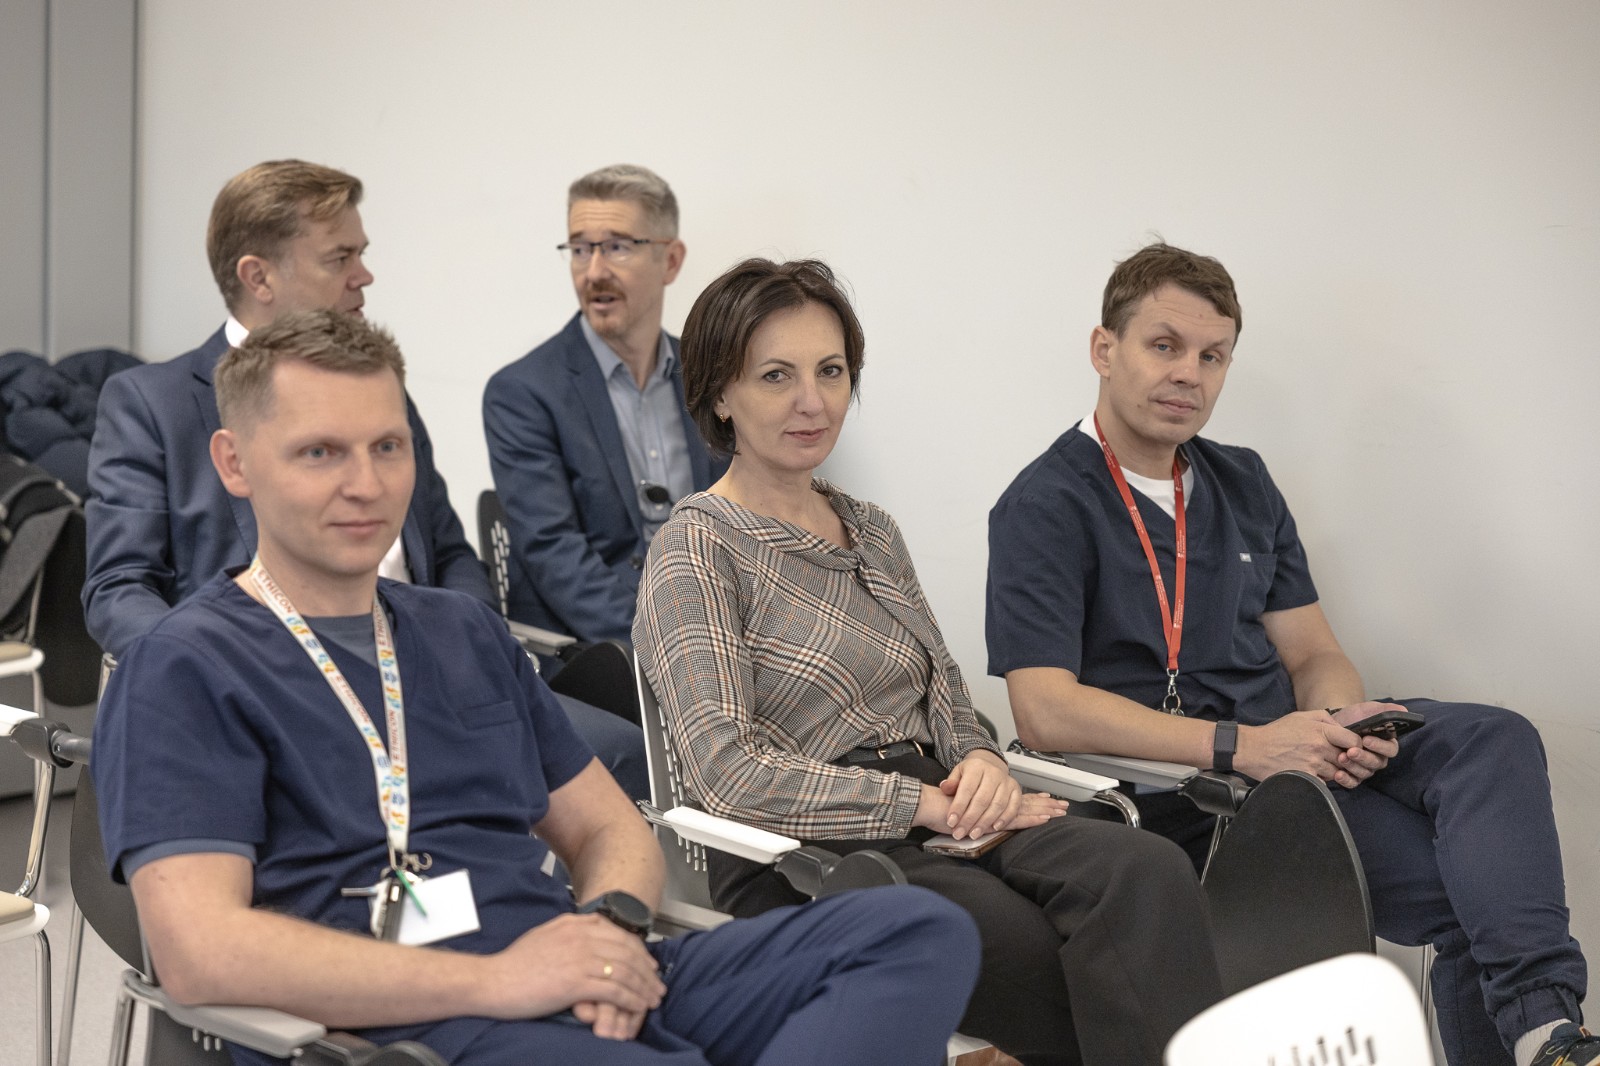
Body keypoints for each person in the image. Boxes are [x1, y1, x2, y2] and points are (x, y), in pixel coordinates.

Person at [92, 309, 982, 1066]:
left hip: (570, 969)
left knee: (912, 931)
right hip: (405, 1027)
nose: (365, 484)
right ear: (235, 462)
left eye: (388, 447)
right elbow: (200, 953)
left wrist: (609, 933)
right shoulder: (187, 666)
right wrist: (499, 981)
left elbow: (609, 830)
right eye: (320, 452)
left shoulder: (460, 630)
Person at [985, 242, 1594, 1066]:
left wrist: (1334, 722)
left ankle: (1546, 1036)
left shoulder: (1242, 481)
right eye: (1164, 345)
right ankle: (1543, 1036)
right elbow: (1044, 712)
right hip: (1192, 797)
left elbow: (1312, 652)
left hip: (1293, 764)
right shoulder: (1045, 503)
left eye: (1212, 356)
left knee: (1495, 738)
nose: (1189, 374)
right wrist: (1247, 746)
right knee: (1465, 897)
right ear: (1104, 348)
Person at [634, 258, 1223, 1066]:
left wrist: (980, 760)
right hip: (800, 848)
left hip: (945, 803)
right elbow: (728, 775)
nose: (813, 400)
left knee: (1148, 870)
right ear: (720, 394)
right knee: (1031, 944)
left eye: (831, 371)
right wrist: (920, 804)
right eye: (776, 376)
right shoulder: (695, 549)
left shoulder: (870, 528)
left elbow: (946, 694)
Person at [82, 159, 646, 798]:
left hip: (431, 676)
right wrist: (213, 674)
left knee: (622, 753)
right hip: (273, 686)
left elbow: (449, 552)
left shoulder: (379, 388)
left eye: (362, 253)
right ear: (258, 277)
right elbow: (118, 589)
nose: (364, 275)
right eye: (340, 257)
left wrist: (470, 644)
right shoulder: (154, 404)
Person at [484, 164, 724, 645]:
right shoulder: (523, 392)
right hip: (596, 649)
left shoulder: (713, 377)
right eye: (580, 249)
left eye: (616, 247)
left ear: (670, 260)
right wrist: (666, 645)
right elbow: (555, 556)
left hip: (718, 629)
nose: (594, 272)